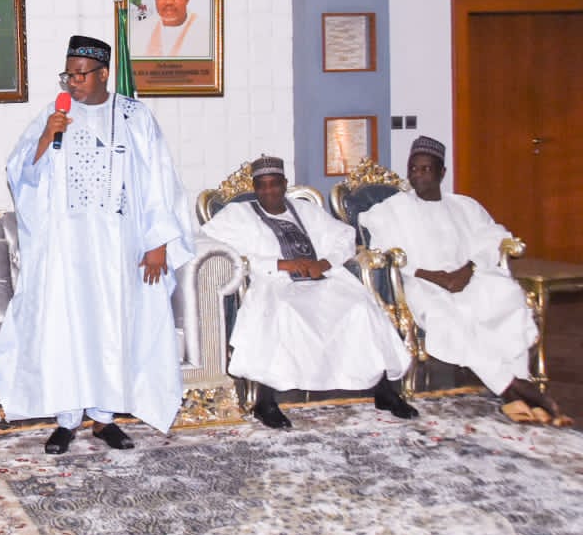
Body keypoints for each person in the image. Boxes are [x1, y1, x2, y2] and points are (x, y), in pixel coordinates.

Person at [0, 35, 196, 453]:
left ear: (103, 73)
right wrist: (46, 137)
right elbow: (20, 172)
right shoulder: (54, 114)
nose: (72, 83)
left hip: (119, 246)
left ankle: (104, 419)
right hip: (66, 246)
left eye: (80, 75)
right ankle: (67, 419)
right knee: (67, 328)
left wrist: (158, 242)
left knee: (112, 326)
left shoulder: (135, 116)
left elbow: (158, 179)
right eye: (67, 75)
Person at [360, 136, 571, 426]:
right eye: (413, 169)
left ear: (442, 173)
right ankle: (517, 388)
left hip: (468, 278)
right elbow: (386, 249)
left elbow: (492, 236)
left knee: (508, 297)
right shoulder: (392, 209)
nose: (418, 175)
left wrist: (467, 270)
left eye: (426, 169)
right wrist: (437, 278)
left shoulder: (465, 206)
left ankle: (517, 389)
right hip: (423, 283)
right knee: (448, 318)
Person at [200, 155, 416, 429]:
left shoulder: (306, 210)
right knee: (282, 313)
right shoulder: (238, 215)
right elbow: (213, 245)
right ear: (255, 188)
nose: (268, 191)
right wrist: (279, 264)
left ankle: (384, 390)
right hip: (275, 284)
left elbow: (344, 236)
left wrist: (324, 263)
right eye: (261, 185)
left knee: (360, 308)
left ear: (284, 184)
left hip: (324, 281)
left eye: (274, 184)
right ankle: (265, 401)